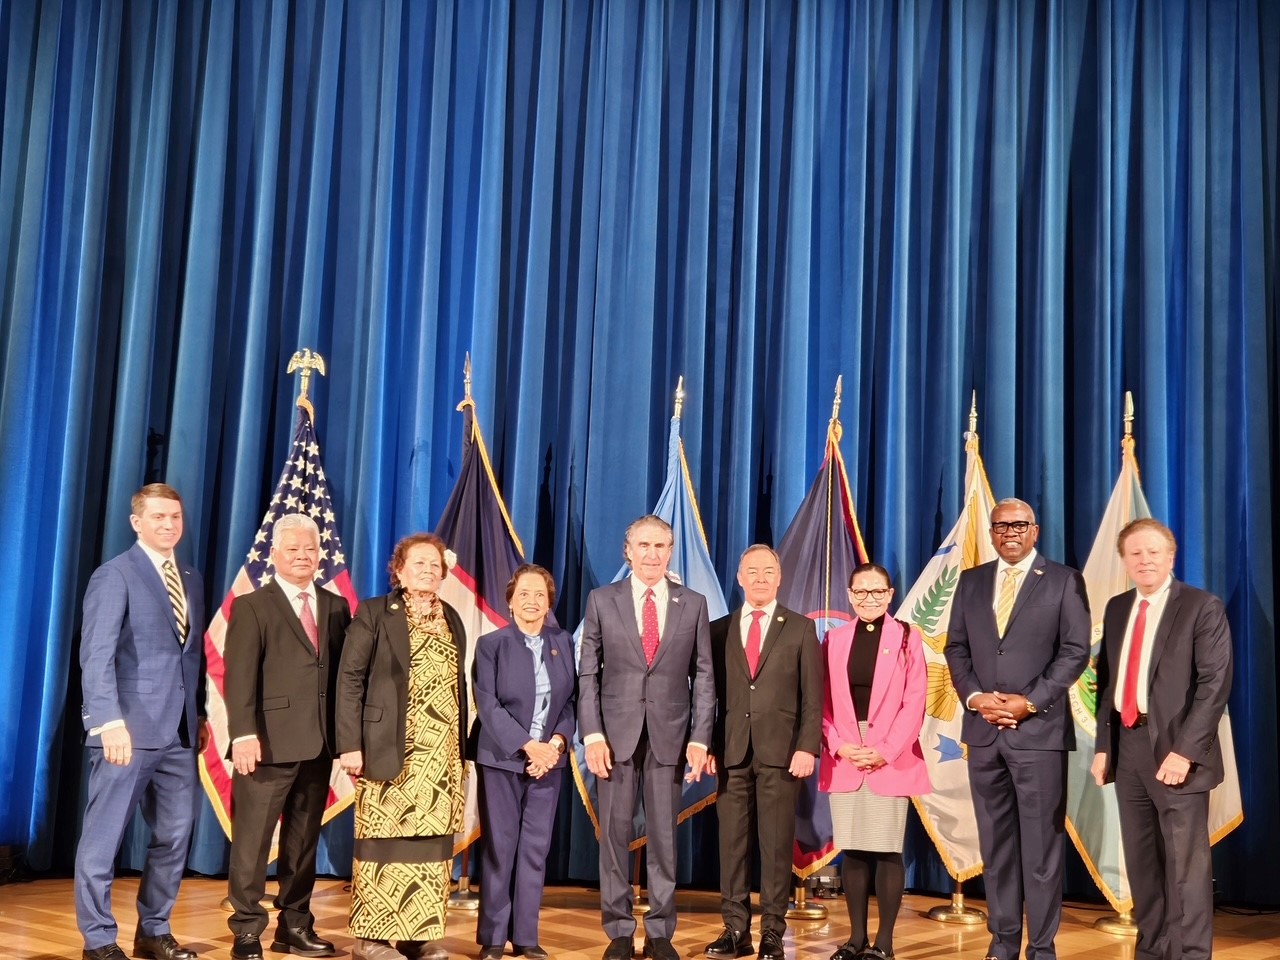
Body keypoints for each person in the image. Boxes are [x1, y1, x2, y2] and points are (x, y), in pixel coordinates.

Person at [944, 498, 1090, 960]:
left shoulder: (1064, 580)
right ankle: (1002, 943)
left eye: (1019, 524)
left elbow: (1075, 651)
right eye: (1001, 524)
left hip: (1039, 736)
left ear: (1035, 530)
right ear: (991, 531)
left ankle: (1041, 948)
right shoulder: (970, 581)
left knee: (1042, 850)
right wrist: (976, 698)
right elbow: (956, 648)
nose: (1010, 531)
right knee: (998, 847)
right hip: (984, 732)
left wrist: (1030, 702)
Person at [75, 483, 208, 960]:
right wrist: (107, 721)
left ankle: (154, 931)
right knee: (104, 839)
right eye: (158, 517)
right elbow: (97, 656)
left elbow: (188, 659)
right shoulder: (115, 575)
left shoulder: (190, 577)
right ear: (137, 522)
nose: (169, 525)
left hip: (179, 733)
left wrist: (201, 716)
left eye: (175, 516)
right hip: (125, 732)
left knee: (174, 835)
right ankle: (99, 940)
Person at [1090, 519, 1232, 960]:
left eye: (1154, 552)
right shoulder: (1116, 608)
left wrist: (1184, 752)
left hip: (1176, 752)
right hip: (1128, 749)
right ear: (1125, 561)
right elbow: (1107, 682)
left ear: (1171, 557)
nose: (1145, 560)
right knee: (1143, 862)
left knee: (1185, 869)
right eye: (1135, 553)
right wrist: (1102, 745)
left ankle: (1190, 955)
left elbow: (1214, 685)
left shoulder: (1200, 607)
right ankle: (1151, 952)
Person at [579, 515, 716, 960]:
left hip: (671, 737)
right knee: (614, 836)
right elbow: (588, 677)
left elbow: (705, 676)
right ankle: (618, 930)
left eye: (661, 546)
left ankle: (660, 931)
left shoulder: (692, 603)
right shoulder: (602, 600)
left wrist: (699, 738)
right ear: (628, 550)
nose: (652, 554)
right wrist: (593, 734)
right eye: (644, 545)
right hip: (614, 737)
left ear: (671, 551)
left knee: (663, 838)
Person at [223, 513, 353, 960]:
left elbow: (341, 677)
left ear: (320, 555)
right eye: (293, 549)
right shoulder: (253, 605)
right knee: (253, 844)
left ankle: (294, 926)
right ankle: (245, 930)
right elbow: (237, 677)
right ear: (274, 553)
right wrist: (242, 733)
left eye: (310, 549)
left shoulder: (335, 606)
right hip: (264, 746)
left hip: (318, 745)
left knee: (302, 846)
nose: (302, 556)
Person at [336, 534, 468, 960]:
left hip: (441, 755)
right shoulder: (376, 611)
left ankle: (419, 934)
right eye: (419, 563)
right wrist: (350, 746)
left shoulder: (451, 616)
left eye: (435, 565)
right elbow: (350, 679)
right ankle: (371, 940)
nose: (428, 571)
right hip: (388, 748)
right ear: (399, 570)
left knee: (431, 846)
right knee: (383, 842)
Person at [704, 545, 822, 960]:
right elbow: (708, 697)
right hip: (731, 754)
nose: (759, 578)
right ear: (739, 577)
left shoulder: (802, 629)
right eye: (750, 570)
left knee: (774, 847)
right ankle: (735, 930)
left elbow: (813, 697)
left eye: (767, 571)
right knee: (732, 846)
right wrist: (707, 744)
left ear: (779, 578)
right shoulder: (718, 629)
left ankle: (773, 930)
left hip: (782, 754)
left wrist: (808, 746)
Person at [820, 564, 930, 960]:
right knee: (853, 848)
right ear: (849, 595)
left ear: (890, 594)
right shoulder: (834, 639)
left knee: (885, 849)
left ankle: (883, 943)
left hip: (890, 752)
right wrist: (839, 744)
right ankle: (855, 940)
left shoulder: (906, 638)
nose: (869, 599)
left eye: (877, 592)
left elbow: (915, 701)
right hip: (847, 751)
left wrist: (885, 749)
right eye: (861, 592)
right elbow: (821, 703)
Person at [472, 564, 577, 960]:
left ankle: (526, 937)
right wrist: (527, 746)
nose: (532, 601)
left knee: (535, 850)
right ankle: (494, 939)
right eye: (524, 594)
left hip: (550, 762)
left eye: (540, 595)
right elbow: (488, 704)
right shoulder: (491, 644)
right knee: (501, 847)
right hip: (502, 759)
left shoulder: (563, 641)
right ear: (511, 600)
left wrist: (555, 744)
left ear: (549, 602)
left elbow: (571, 701)